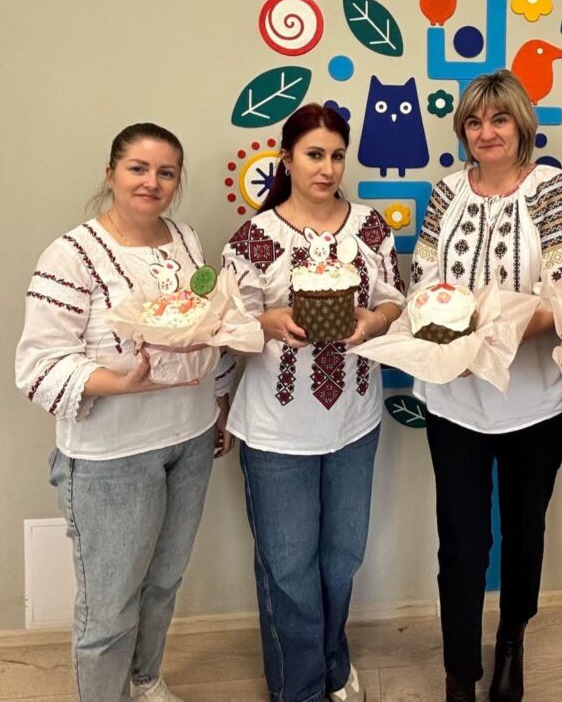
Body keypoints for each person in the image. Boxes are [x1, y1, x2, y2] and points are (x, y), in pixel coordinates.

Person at [16, 123, 236, 702]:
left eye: (166, 172)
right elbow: (37, 366)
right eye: (138, 168)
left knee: (163, 583)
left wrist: (219, 401)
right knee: (109, 606)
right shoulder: (72, 255)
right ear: (111, 172)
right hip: (112, 456)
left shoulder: (184, 240)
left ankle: (144, 681)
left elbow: (202, 327)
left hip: (189, 438)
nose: (151, 182)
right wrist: (120, 382)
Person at [410, 70, 562, 702]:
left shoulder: (552, 189)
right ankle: (460, 669)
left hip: (536, 400)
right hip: (454, 398)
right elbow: (422, 279)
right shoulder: (446, 192)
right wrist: (448, 340)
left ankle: (512, 639)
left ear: (522, 125)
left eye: (499, 119)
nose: (486, 132)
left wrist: (491, 339)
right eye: (474, 122)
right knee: (462, 540)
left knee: (524, 529)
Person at [221, 103, 405, 702]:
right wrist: (266, 322)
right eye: (314, 155)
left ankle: (332, 662)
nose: (327, 168)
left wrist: (374, 321)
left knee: (341, 558)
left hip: (355, 420)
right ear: (287, 160)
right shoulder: (255, 238)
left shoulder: (370, 228)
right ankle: (296, 687)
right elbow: (225, 324)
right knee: (288, 567)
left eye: (336, 156)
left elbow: (396, 298)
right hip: (276, 430)